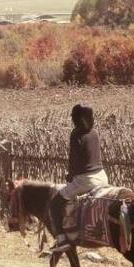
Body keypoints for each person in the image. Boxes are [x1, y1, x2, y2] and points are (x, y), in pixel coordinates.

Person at [49, 104, 109, 252]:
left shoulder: (76, 134)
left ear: (78, 118)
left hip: (85, 180)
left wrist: (70, 176)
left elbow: (74, 159)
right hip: (102, 177)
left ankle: (62, 240)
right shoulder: (94, 133)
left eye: (73, 117)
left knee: (55, 204)